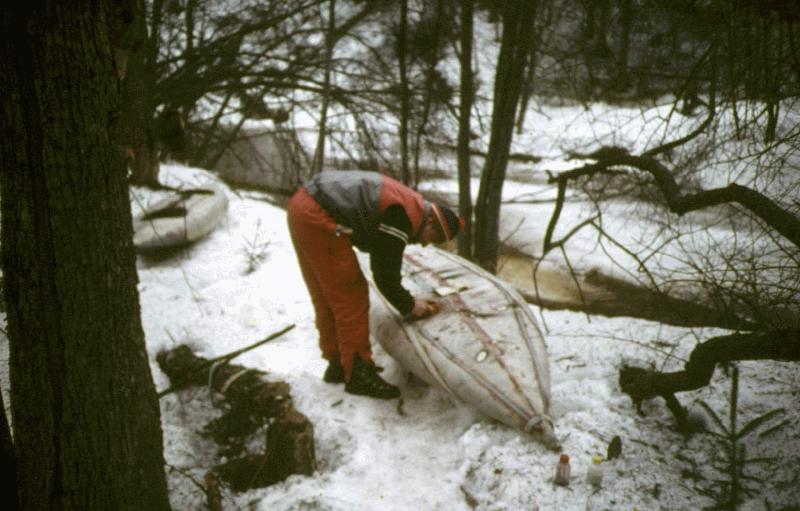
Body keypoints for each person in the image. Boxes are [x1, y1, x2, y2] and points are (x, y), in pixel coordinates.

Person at [287, 170, 463, 399]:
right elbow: (384, 275)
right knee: (350, 294)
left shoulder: (408, 205)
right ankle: (359, 374)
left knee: (327, 294)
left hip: (302, 207)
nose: (424, 244)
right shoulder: (401, 216)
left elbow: (381, 253)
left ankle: (338, 364)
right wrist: (410, 305)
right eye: (434, 237)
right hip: (318, 215)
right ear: (431, 220)